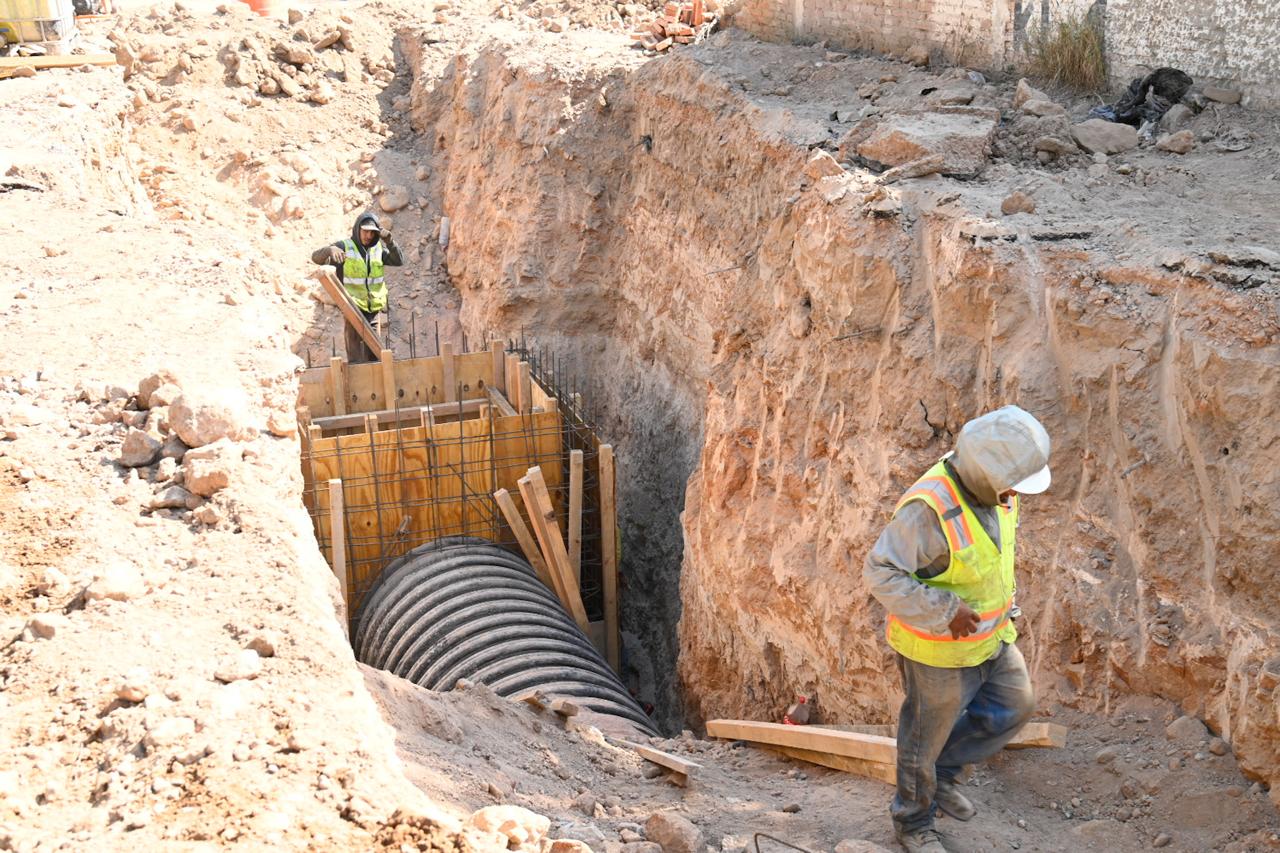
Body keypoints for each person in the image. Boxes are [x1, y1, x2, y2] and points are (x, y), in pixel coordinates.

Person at [863, 405, 1050, 853]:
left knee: (1014, 707)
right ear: (988, 474)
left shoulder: (995, 486)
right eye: (1010, 484)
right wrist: (945, 608)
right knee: (922, 741)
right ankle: (913, 823)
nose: (1014, 494)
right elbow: (881, 573)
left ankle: (942, 776)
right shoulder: (928, 511)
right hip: (937, 654)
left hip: (992, 639)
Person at [311, 212, 403, 363]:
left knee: (376, 358)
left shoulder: (377, 249)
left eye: (372, 233)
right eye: (365, 231)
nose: (368, 236)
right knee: (357, 360)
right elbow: (315, 257)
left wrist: (390, 241)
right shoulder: (344, 247)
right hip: (353, 310)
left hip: (373, 311)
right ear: (357, 229)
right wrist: (329, 250)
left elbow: (398, 260)